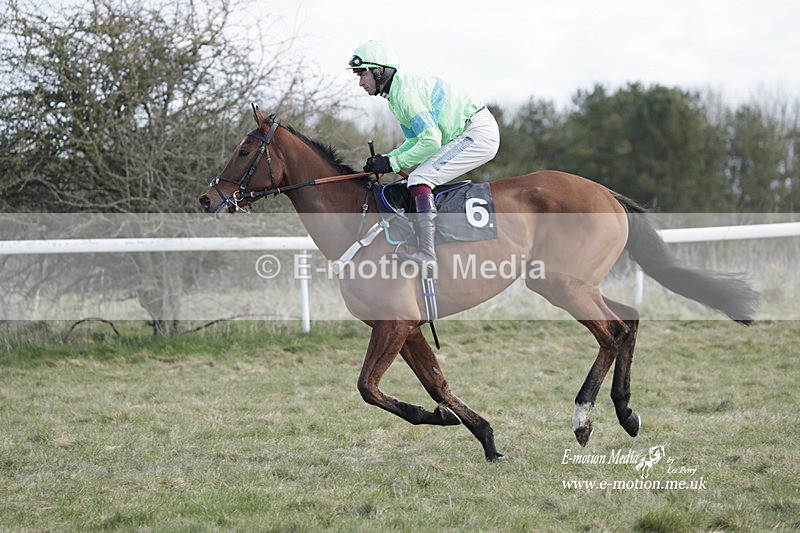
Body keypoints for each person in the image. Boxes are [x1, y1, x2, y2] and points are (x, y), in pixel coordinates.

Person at [347, 40, 500, 273]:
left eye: (362, 74)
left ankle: (428, 254)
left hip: (477, 132)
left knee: (419, 179)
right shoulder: (396, 95)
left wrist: (392, 163)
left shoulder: (405, 94)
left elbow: (431, 141)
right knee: (416, 179)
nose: (359, 82)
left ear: (380, 71)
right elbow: (414, 141)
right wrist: (386, 158)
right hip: (468, 130)